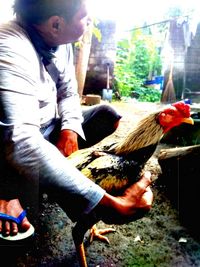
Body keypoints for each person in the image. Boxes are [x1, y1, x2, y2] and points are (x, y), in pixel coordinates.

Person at [0, 0, 153, 240]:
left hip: (47, 126)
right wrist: (109, 205)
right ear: (56, 24)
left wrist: (69, 129)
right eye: (84, 16)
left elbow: (69, 92)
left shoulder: (61, 42)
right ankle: (7, 192)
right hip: (11, 141)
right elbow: (21, 141)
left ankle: (51, 179)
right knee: (21, 240)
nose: (89, 20)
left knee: (106, 116)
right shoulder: (8, 46)